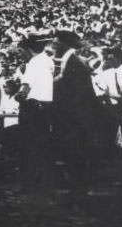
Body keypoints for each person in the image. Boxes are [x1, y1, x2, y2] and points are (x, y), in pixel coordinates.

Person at [51, 28, 101, 196]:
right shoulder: (70, 60)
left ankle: (79, 195)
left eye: (56, 40)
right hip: (72, 119)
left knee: (76, 158)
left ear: (64, 43)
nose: (53, 43)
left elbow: (78, 95)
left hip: (75, 120)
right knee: (72, 158)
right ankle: (77, 193)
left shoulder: (75, 62)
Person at [14, 31, 56, 194]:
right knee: (43, 147)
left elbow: (25, 90)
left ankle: (29, 184)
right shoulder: (48, 61)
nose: (20, 56)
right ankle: (44, 183)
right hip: (46, 108)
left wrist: (17, 94)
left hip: (32, 109)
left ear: (28, 49)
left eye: (20, 52)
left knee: (27, 147)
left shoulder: (33, 63)